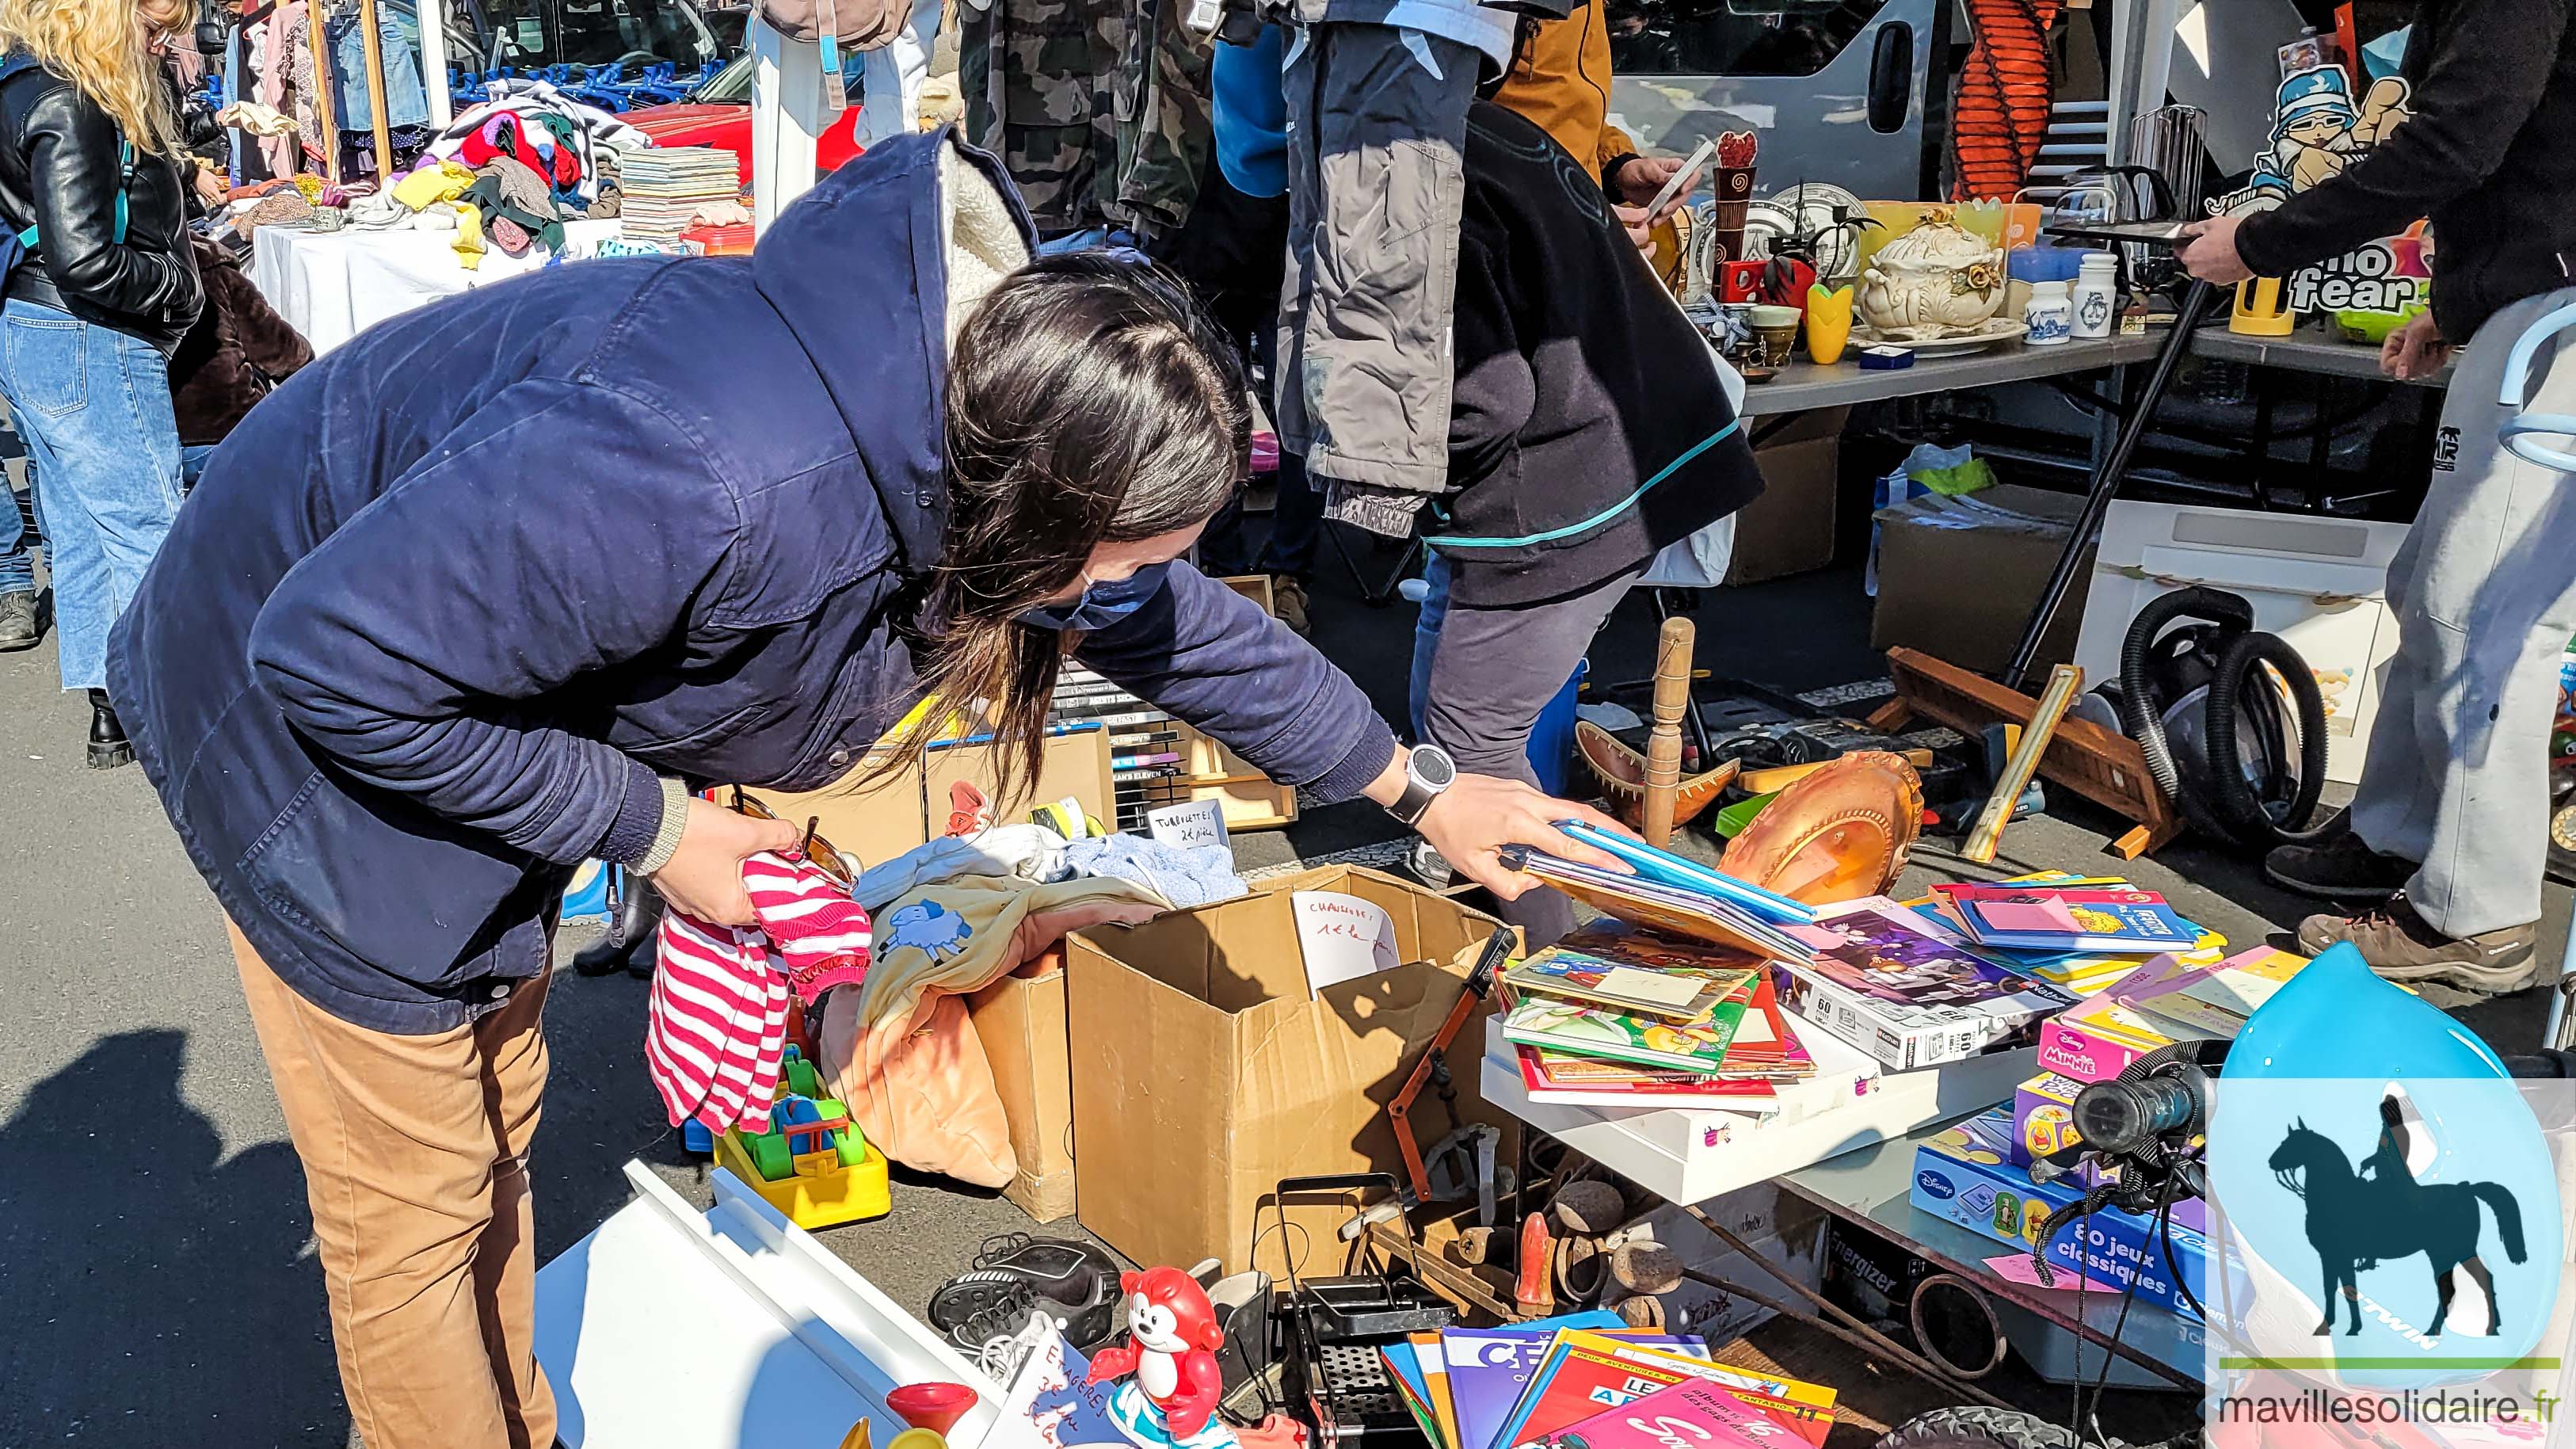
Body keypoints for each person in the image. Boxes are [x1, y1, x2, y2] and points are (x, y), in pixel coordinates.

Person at [107, 132, 1629, 1449]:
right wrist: (658, 828)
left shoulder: (978, 417)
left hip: (442, 687)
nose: (1136, 592)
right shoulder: (711, 467)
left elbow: (1178, 629)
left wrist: (1420, 789)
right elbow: (340, 658)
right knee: (415, 1198)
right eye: (1121, 555)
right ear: (1043, 494)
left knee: (497, 1117)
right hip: (297, 723)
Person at [2177, 0, 2576, 993]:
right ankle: (2400, 836)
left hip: (2562, 319)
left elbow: (2459, 139)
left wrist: (2263, 240)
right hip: (2540, 304)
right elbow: (2533, 149)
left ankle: (2474, 920)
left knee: (2484, 617)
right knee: (2428, 587)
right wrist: (2457, 303)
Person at [1407, 98, 1763, 947]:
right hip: (1618, 435)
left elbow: (1483, 404)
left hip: (1568, 474)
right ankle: (1559, 923)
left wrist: (1372, 464)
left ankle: (1571, 964)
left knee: (1469, 743)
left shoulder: (1409, 166)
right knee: (1455, 716)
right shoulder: (1480, 121)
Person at [0, 0, 203, 765]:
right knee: (147, 523)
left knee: (82, 529)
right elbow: (83, 257)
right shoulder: (71, 97)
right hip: (86, 328)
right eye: (152, 25)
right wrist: (175, 288)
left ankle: (112, 709)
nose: (162, 41)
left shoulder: (26, 83)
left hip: (32, 326)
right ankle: (171, 710)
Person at [167, 232, 310, 483]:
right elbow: (279, 350)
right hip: (226, 433)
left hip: (152, 447)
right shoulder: (211, 269)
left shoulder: (104, 275)